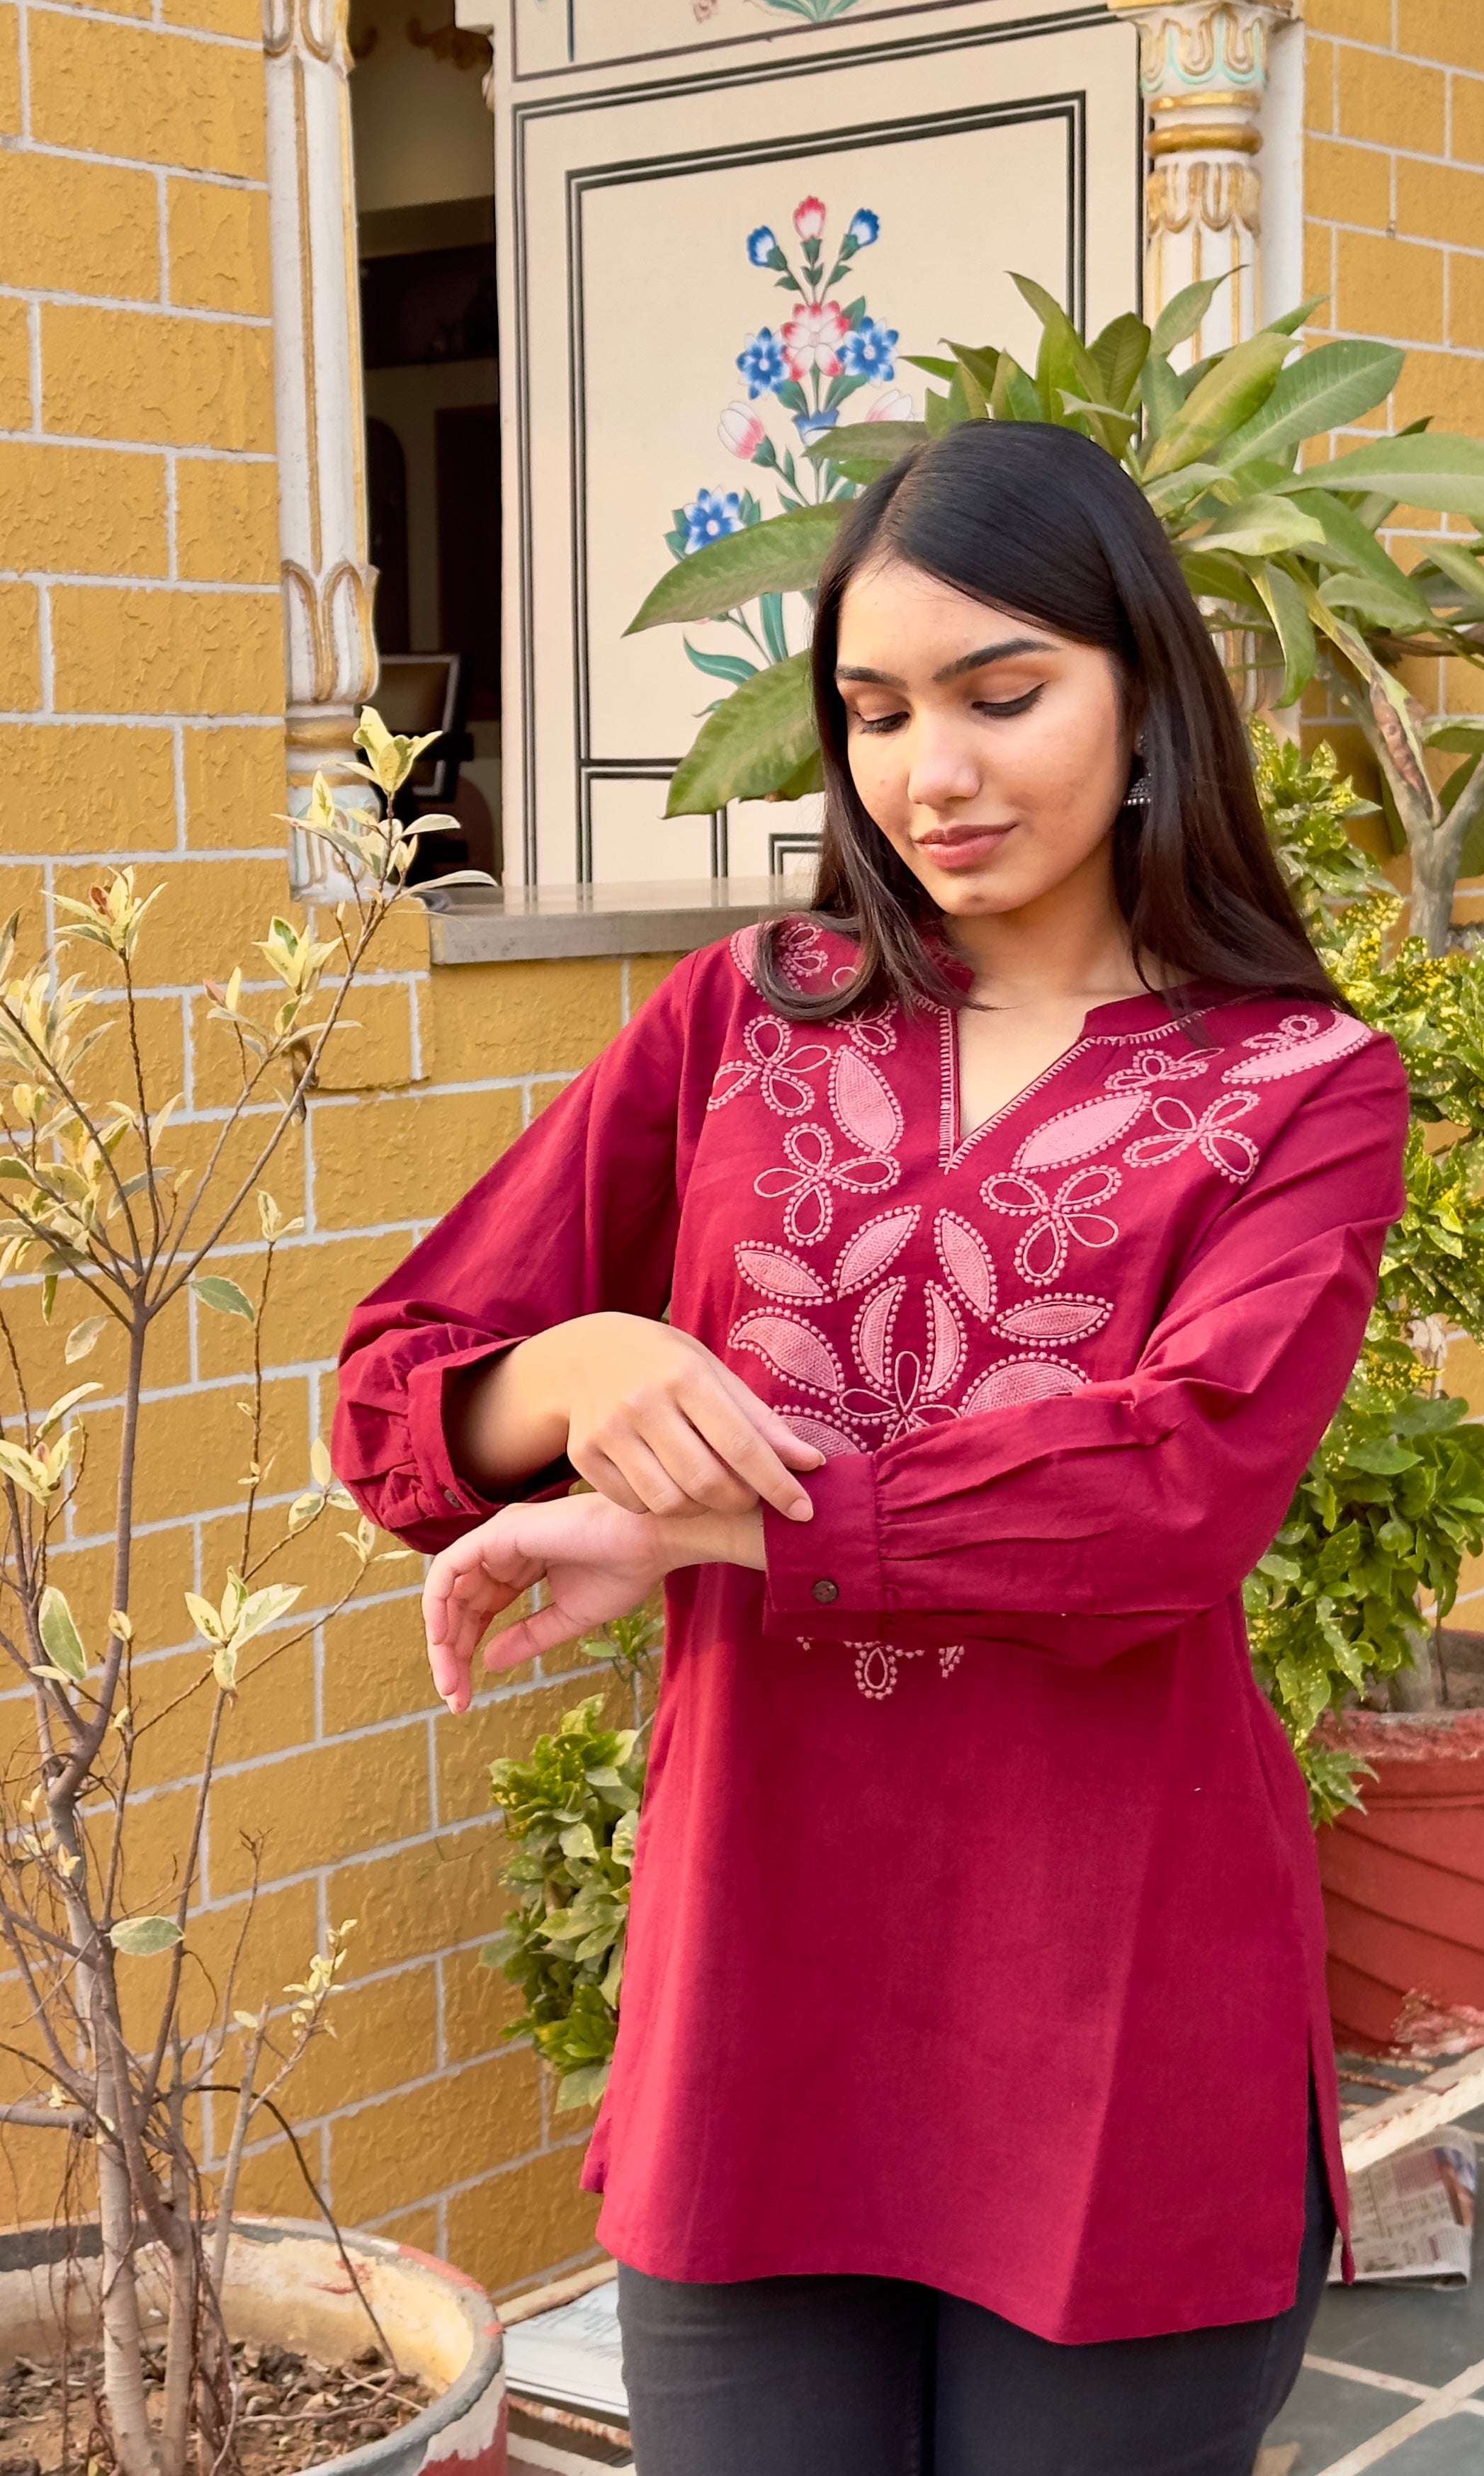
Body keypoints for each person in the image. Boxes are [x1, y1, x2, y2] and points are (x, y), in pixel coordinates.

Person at [333, 419, 1409, 2476]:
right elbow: (406, 1391)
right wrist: (582, 1367)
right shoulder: (751, 1016)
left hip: (1119, 2003)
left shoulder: (1301, 1086)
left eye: (1005, 696)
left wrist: (714, 1525)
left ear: (1145, 691)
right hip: (760, 1997)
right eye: (880, 711)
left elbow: (1168, 1497)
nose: (935, 772)